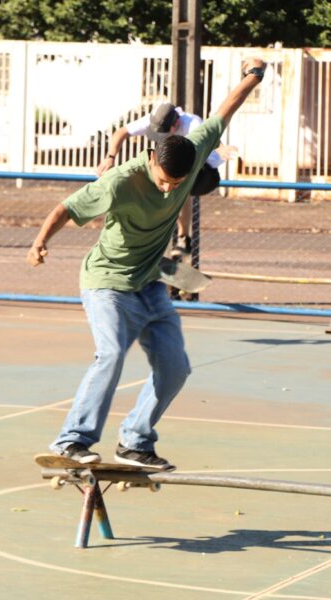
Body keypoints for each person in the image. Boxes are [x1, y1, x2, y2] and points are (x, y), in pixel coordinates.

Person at [27, 58, 266, 468]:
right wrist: (39, 243)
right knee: (111, 355)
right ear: (153, 159)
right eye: (164, 180)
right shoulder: (120, 181)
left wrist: (254, 74)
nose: (170, 189)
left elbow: (228, 107)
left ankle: (135, 442)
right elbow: (66, 207)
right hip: (107, 283)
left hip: (150, 285)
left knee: (175, 369)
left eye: (178, 184)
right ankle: (71, 440)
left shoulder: (194, 148)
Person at [96, 103, 237, 259]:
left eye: (164, 134)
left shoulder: (192, 123)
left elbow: (212, 136)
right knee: (149, 179)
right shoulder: (154, 119)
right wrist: (110, 157)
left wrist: (222, 148)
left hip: (206, 172)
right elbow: (121, 132)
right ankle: (149, 236)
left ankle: (184, 239)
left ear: (176, 124)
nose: (160, 138)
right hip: (182, 164)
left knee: (177, 184)